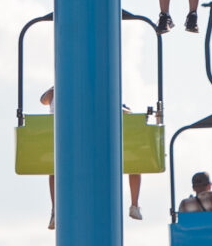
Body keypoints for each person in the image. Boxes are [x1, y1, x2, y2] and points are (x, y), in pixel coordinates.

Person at [39, 87, 142, 228]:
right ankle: (134, 204)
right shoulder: (86, 93)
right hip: (86, 141)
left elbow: (43, 100)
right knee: (135, 162)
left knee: (54, 170)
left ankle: (56, 209)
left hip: (61, 141)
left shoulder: (58, 92)